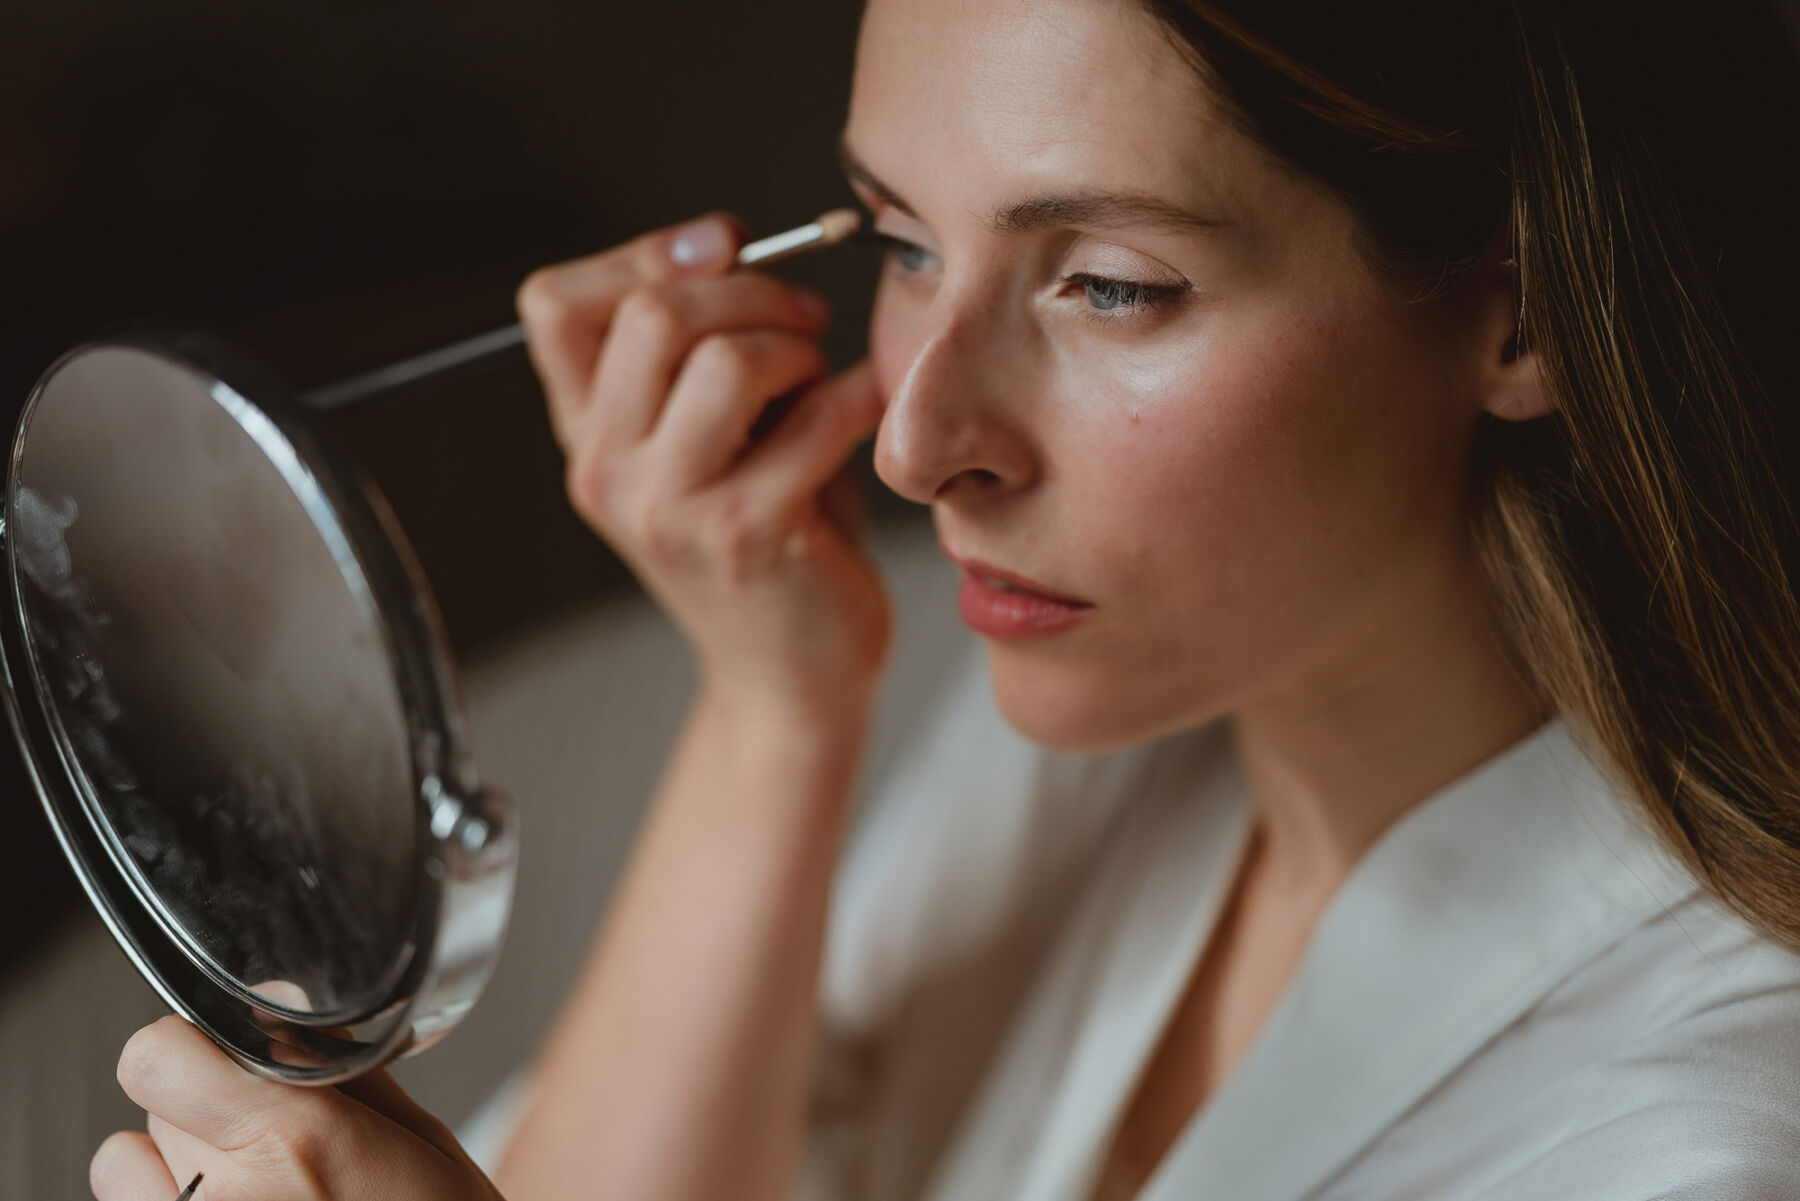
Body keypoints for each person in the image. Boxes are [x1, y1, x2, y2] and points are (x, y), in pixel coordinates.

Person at [89, 0, 1800, 1197]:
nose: (914, 443)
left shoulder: (1704, 1132)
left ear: (1522, 313)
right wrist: (776, 700)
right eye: (901, 243)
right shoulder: (1088, 744)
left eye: (1113, 285)